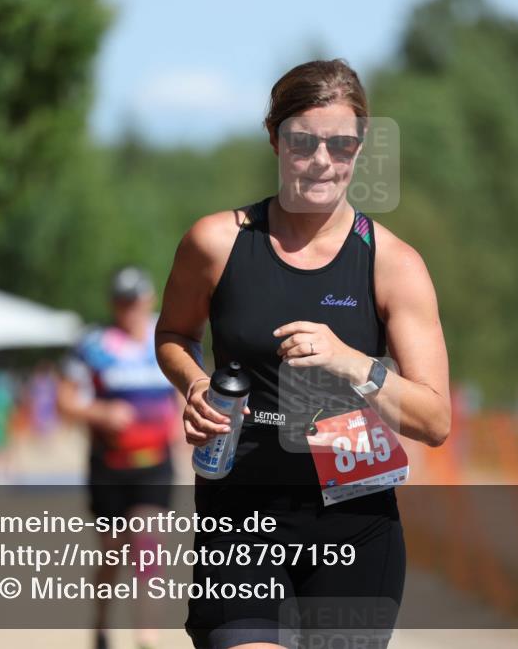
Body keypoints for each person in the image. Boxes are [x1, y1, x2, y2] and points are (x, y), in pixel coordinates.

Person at [155, 59, 450, 649]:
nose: (321, 161)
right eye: (303, 142)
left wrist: (353, 362)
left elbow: (434, 419)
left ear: (360, 146)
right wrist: (194, 383)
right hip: (241, 517)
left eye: (340, 144)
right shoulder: (216, 242)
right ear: (275, 139)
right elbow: (174, 335)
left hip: (354, 523)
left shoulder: (393, 263)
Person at [58, 266, 181, 649]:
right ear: (113, 304)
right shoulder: (92, 344)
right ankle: (100, 624)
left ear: (150, 299)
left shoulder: (168, 336)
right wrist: (100, 413)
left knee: (148, 544)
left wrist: (186, 430)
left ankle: (147, 635)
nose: (130, 309)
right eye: (122, 302)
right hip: (109, 466)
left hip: (155, 464)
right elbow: (65, 401)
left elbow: (184, 388)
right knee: (112, 554)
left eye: (135, 301)